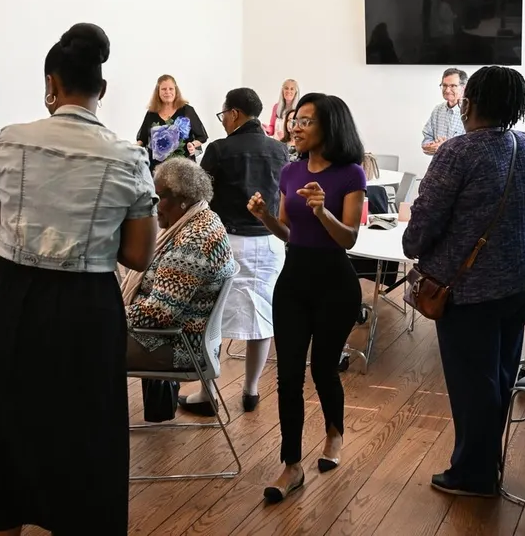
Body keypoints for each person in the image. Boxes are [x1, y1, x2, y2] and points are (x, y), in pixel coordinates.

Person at [0, 24, 157, 536]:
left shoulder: (10, 141)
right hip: (86, 307)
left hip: (8, 300)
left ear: (52, 84)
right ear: (103, 90)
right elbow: (140, 255)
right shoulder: (128, 158)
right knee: (83, 437)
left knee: (5, 431)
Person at [402, 66, 525, 498]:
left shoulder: (457, 152)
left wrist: (412, 241)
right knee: (499, 372)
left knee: (474, 382)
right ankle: (488, 462)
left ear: (469, 103)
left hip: (469, 289)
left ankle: (473, 476)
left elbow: (423, 225)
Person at [247, 93, 367, 504]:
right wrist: (264, 217)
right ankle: (291, 465)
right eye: (295, 120)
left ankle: (334, 432)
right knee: (287, 377)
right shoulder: (290, 171)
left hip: (335, 283)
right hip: (293, 283)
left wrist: (321, 211)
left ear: (329, 127)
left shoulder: (351, 174)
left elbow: (349, 238)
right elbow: (286, 231)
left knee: (323, 370)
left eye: (306, 121)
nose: (296, 126)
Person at [179, 89, 288, 415]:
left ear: (236, 114)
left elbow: (202, 197)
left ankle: (207, 392)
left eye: (223, 114)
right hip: (270, 243)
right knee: (262, 316)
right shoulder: (280, 149)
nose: (223, 120)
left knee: (210, 318)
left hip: (228, 242)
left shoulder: (219, 149)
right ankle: (251, 389)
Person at [122, 158, 235, 391]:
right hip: (178, 337)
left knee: (80, 341)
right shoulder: (204, 217)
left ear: (182, 200)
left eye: (158, 197)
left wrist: (105, 315)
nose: (152, 204)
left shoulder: (192, 242)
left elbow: (156, 314)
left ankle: (94, 424)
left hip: (176, 346)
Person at [136, 75, 209, 166]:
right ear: (158, 92)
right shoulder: (151, 113)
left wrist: (193, 145)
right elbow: (142, 139)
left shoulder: (187, 110)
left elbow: (202, 137)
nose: (167, 92)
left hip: (183, 167)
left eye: (171, 89)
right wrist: (132, 147)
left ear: (176, 91)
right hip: (157, 169)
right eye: (164, 89)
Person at [422, 68, 467, 155]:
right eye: (444, 85)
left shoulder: (472, 112)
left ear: (463, 88)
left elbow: (474, 147)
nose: (447, 90)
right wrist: (431, 146)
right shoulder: (438, 110)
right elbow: (426, 140)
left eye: (453, 86)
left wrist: (445, 147)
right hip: (440, 165)